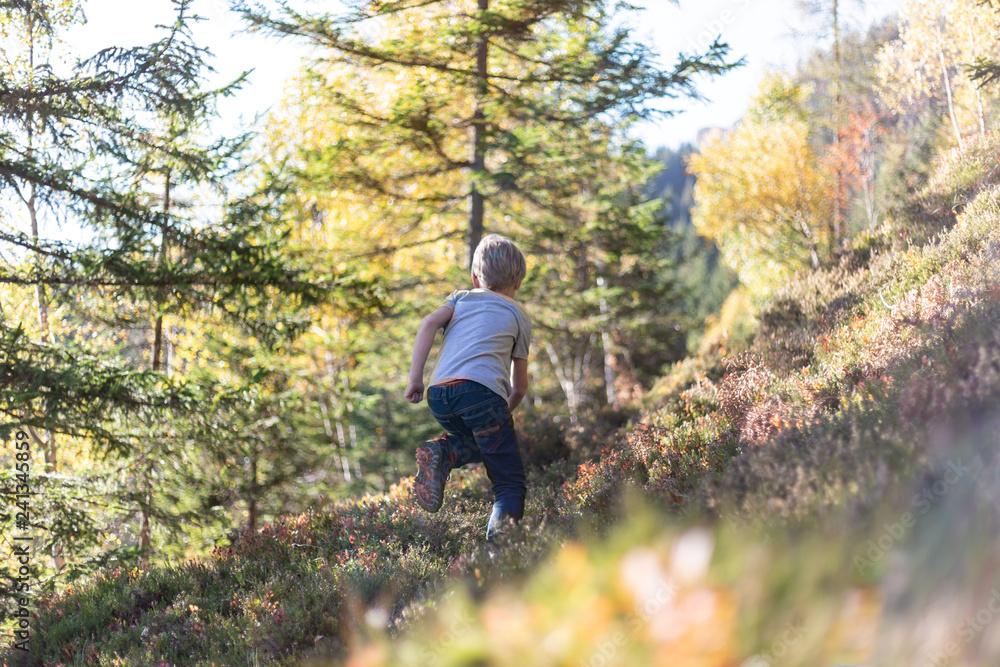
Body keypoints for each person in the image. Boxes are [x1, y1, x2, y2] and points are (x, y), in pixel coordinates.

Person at [404, 234, 532, 542]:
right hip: (482, 394)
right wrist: (501, 414)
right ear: (518, 283)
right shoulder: (518, 315)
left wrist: (416, 379)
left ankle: (444, 451)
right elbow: (519, 386)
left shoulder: (460, 298)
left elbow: (428, 324)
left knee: (477, 440)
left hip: (439, 395)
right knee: (509, 483)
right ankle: (499, 552)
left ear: (475, 278)